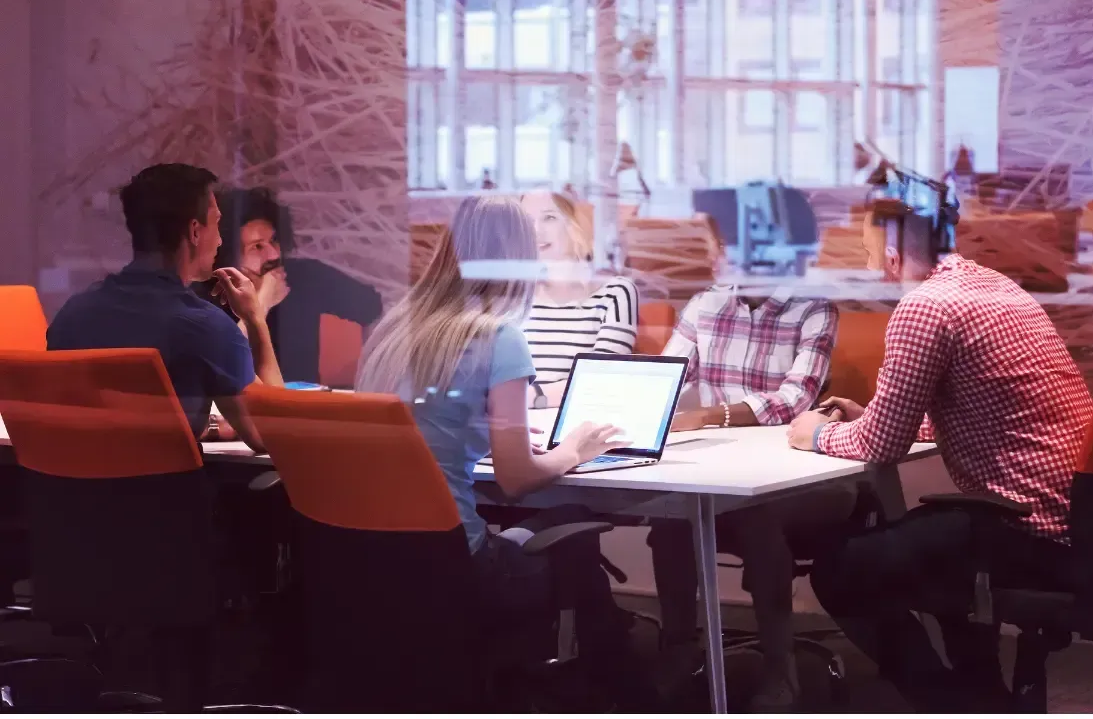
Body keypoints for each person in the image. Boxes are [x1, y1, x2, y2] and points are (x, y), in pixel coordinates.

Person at [786, 197, 1093, 711]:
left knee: (839, 571)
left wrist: (815, 434)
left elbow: (879, 446)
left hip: (1025, 528)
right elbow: (983, 408)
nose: (867, 267)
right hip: (1079, 521)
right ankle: (982, 695)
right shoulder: (996, 288)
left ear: (889, 252)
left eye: (866, 252)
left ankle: (947, 702)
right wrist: (878, 412)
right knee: (939, 546)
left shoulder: (926, 307)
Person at [355, 195, 651, 708]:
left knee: (550, 524)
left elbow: (433, 421)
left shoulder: (392, 328)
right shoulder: (500, 338)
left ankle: (590, 683)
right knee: (571, 525)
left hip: (370, 559)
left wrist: (496, 430)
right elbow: (515, 478)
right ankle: (620, 694)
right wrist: (573, 450)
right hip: (459, 565)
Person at [647, 277, 847, 710]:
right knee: (669, 523)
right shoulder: (706, 302)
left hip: (797, 474)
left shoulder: (813, 308)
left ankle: (781, 670)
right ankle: (679, 650)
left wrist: (710, 416)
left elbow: (795, 401)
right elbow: (666, 377)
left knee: (758, 521)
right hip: (721, 471)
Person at [47, 164, 283, 451]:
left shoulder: (72, 315)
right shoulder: (204, 326)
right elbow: (277, 432)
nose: (220, 240)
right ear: (195, 232)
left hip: (73, 494)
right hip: (166, 495)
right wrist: (255, 318)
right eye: (217, 223)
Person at [212, 186, 383, 384]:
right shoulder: (212, 291)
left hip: (300, 406)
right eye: (257, 246)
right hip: (236, 407)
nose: (274, 254)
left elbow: (372, 306)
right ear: (228, 255)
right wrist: (262, 303)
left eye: (274, 240)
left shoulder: (303, 276)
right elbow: (222, 364)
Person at [519, 190, 638, 408]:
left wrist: (526, 398)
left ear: (575, 225)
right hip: (513, 424)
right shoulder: (514, 296)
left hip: (575, 424)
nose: (536, 230)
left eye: (550, 217)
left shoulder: (615, 292)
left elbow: (602, 380)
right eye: (527, 220)